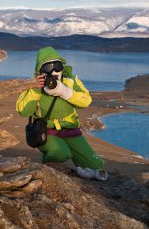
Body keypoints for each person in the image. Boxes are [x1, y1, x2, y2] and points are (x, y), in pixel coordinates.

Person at [16, 46, 107, 181]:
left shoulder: (70, 80)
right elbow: (24, 110)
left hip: (70, 129)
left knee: (96, 166)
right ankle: (47, 164)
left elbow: (86, 101)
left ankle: (77, 164)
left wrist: (64, 91)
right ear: (40, 70)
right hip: (46, 131)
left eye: (57, 66)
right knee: (60, 153)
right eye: (48, 67)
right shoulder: (34, 84)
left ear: (62, 67)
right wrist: (35, 90)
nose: (54, 71)